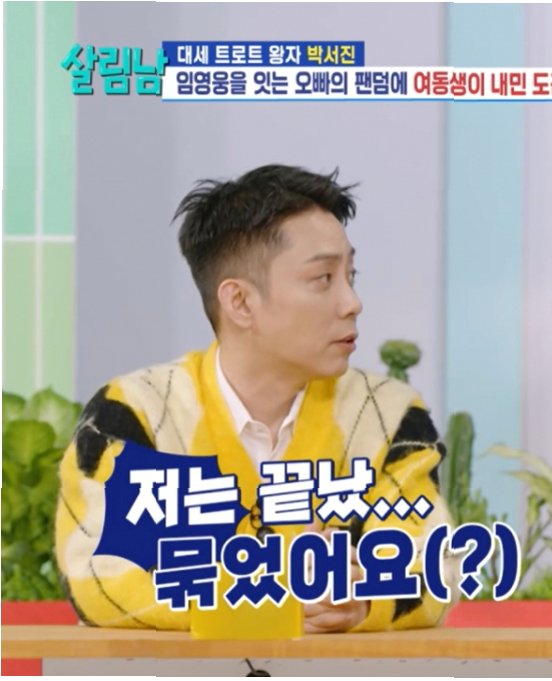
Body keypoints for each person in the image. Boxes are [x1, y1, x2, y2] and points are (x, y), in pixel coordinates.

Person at [55, 165, 455, 632]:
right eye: (323, 278)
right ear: (240, 302)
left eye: (351, 274)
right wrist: (269, 599)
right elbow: (101, 579)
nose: (352, 302)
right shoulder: (136, 413)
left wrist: (362, 603)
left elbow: (434, 565)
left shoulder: (389, 415)